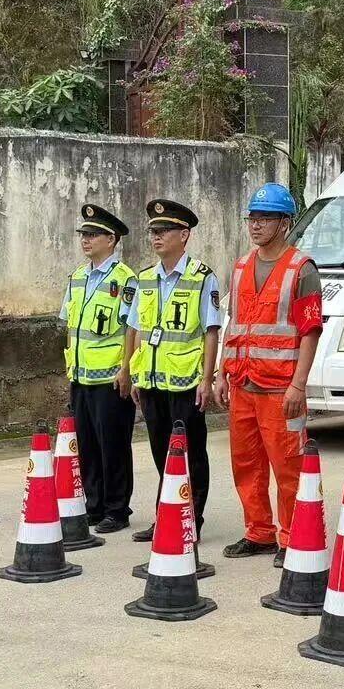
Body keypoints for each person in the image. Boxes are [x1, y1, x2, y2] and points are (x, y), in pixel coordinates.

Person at [215, 182, 325, 564]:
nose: (256, 225)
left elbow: (310, 331)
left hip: (281, 389)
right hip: (242, 382)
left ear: (285, 223)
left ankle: (292, 538)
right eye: (252, 217)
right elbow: (234, 322)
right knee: (246, 463)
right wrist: (220, 374)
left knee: (288, 466)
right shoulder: (242, 266)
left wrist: (299, 384)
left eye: (265, 218)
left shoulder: (301, 269)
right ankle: (258, 532)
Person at [120, 199, 221, 542]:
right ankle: (167, 515)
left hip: (186, 383)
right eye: (153, 231)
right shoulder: (144, 279)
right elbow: (135, 330)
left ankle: (191, 518)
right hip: (150, 381)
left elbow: (210, 331)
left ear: (184, 234)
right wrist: (134, 373)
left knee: (190, 452)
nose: (156, 237)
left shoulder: (202, 278)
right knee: (162, 453)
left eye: (163, 231)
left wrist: (207, 379)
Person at [59, 203, 137, 533]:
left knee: (113, 445)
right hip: (81, 375)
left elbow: (134, 329)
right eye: (83, 235)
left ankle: (116, 509)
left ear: (112, 239)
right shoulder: (78, 277)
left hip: (111, 377)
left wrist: (126, 370)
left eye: (93, 235)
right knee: (87, 444)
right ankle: (94, 505)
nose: (85, 240)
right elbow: (69, 324)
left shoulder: (126, 280)